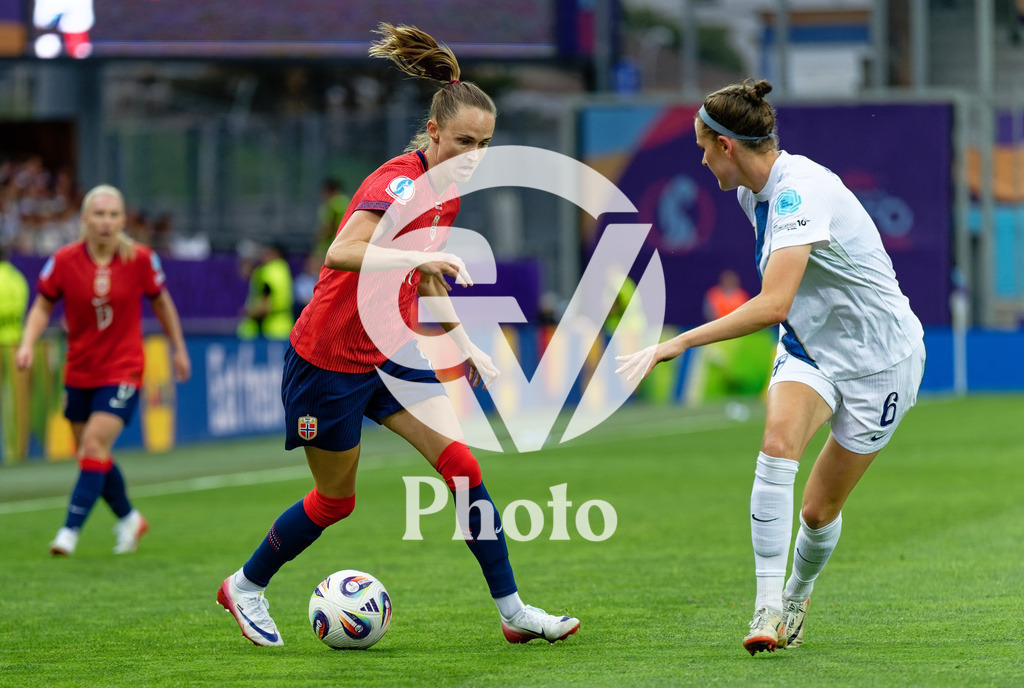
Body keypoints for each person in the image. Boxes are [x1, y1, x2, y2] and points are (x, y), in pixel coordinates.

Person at [216, 23, 580, 648]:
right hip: (327, 362)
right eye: (464, 141)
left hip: (390, 354)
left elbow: (423, 279)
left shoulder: (447, 194)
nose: (474, 156)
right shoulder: (399, 182)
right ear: (434, 133)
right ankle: (245, 586)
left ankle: (514, 611)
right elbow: (342, 252)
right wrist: (416, 262)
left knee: (464, 468)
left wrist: (464, 347)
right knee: (336, 502)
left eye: (485, 145)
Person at [615, 79, 925, 655]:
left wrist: (675, 344)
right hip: (810, 348)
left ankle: (798, 592)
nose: (701, 159)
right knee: (778, 443)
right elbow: (792, 309)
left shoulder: (798, 192)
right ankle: (766, 611)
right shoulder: (749, 194)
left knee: (818, 509)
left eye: (704, 147)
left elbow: (773, 303)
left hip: (881, 361)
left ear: (727, 146)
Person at [15, 184, 191, 555]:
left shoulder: (141, 259)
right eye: (99, 214)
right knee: (92, 454)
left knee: (94, 444)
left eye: (113, 215)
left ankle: (69, 532)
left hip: (123, 368)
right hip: (79, 369)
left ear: (123, 220)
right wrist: (28, 343)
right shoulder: (63, 261)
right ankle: (129, 519)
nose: (106, 222)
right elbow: (43, 306)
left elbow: (163, 304)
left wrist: (178, 348)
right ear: (84, 219)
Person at [237, 242, 294, 340]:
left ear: (275, 254)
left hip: (268, 330)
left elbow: (264, 305)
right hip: (284, 327)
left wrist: (249, 312)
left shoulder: (267, 272)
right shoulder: (284, 270)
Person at [314, 177, 351, 255]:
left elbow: (330, 226)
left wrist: (319, 238)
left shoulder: (333, 203)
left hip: (331, 244)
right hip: (344, 242)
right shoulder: (345, 201)